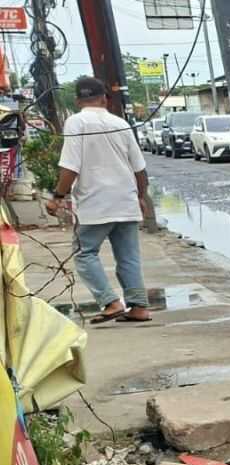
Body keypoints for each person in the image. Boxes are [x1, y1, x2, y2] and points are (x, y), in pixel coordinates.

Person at [45, 77, 152, 323]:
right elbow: (139, 169)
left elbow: (70, 166)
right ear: (104, 98)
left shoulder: (76, 122)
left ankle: (110, 301)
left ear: (77, 101)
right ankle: (139, 307)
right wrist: (141, 197)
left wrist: (57, 197)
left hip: (95, 203)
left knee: (84, 254)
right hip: (125, 200)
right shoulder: (120, 123)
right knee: (128, 256)